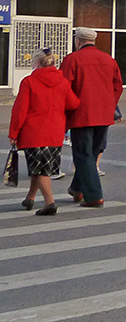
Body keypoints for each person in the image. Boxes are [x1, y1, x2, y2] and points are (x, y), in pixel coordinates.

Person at [8, 48, 80, 215]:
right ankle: (30, 198)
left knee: (39, 169)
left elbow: (20, 111)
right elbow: (73, 103)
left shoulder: (29, 82)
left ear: (36, 63)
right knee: (41, 167)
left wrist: (13, 133)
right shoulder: (62, 82)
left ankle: (49, 203)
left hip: (34, 133)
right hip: (55, 133)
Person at [60, 27, 123, 208]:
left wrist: (69, 108)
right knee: (93, 152)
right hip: (104, 114)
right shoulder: (108, 60)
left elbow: (64, 87)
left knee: (83, 154)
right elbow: (118, 87)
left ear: (78, 41)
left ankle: (94, 195)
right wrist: (109, 105)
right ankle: (77, 188)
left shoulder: (72, 59)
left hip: (82, 114)